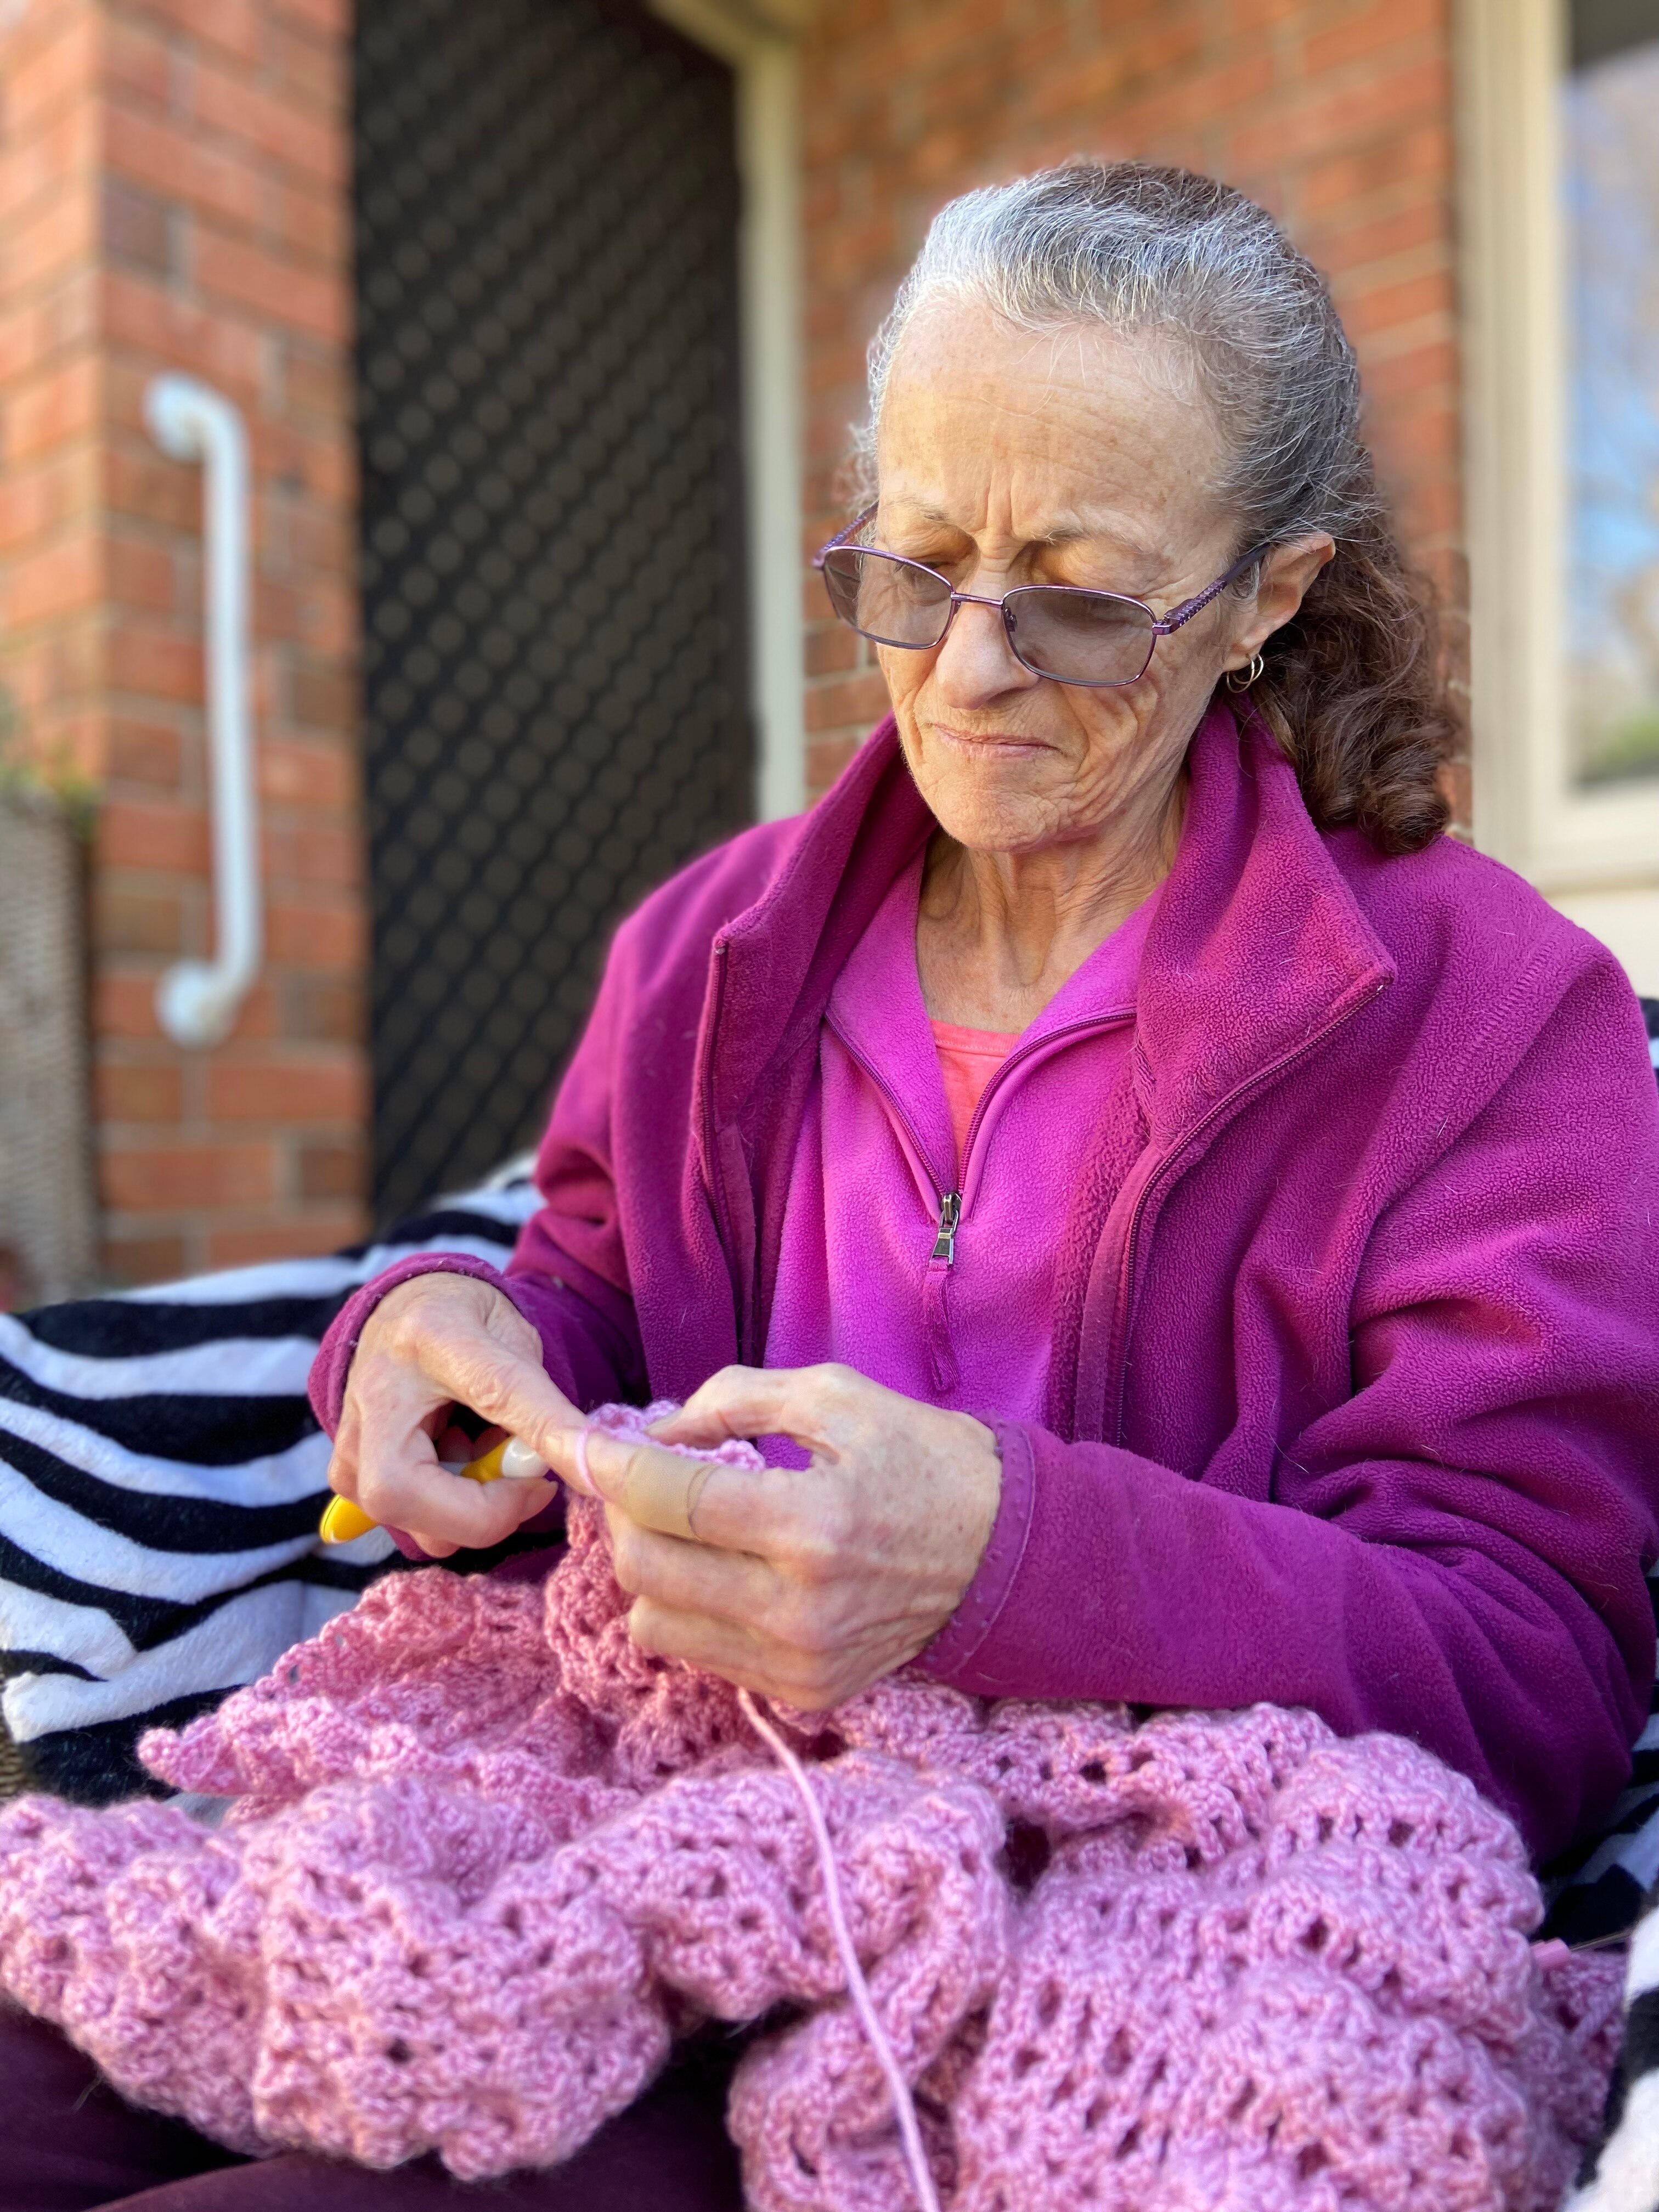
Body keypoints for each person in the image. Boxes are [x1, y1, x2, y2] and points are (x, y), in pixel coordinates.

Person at [7, 160, 1657, 2211]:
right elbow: (588, 1295)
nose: (966, 670)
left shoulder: (1497, 1024)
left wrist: (1005, 1556)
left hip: (1100, 1932)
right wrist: (448, 1349)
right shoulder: (709, 953)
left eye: (1072, 591)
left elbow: (1533, 1670)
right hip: (622, 1821)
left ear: (1265, 598)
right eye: (916, 561)